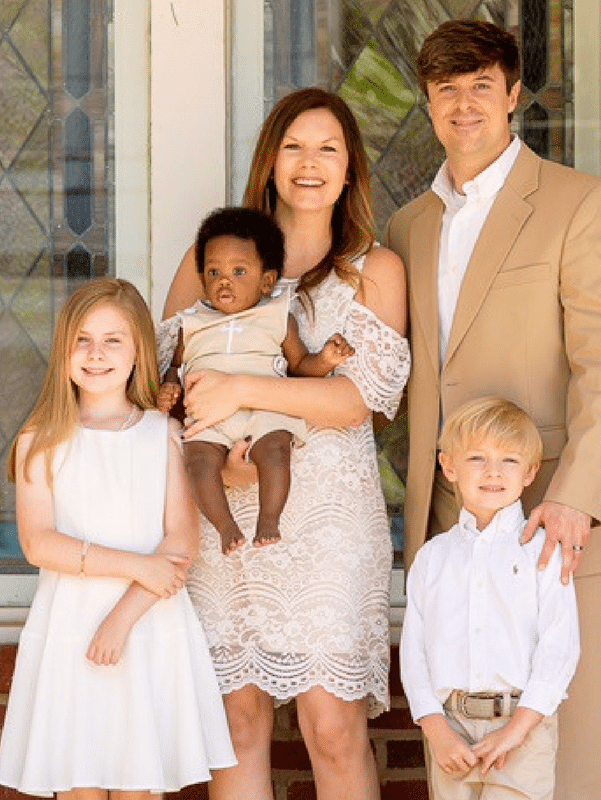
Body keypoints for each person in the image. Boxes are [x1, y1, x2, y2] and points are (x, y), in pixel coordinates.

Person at [385, 19, 601, 800]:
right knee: (460, 752)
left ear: (513, 95)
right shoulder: (407, 226)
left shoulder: (579, 204)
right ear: (428, 103)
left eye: (480, 87)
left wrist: (573, 500)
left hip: (549, 518)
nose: (464, 106)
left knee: (561, 740)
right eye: (446, 91)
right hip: (448, 518)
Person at [162, 88, 410, 800]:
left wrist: (246, 392)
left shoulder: (376, 270)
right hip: (227, 513)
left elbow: (356, 401)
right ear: (270, 161)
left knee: (331, 724)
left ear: (350, 168)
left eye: (328, 148)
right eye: (294, 147)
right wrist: (212, 448)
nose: (310, 164)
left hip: (330, 522)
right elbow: (166, 381)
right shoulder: (209, 260)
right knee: (236, 718)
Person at [0, 278, 236, 799]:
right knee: (78, 784)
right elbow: (39, 543)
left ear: (138, 353)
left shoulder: (166, 435)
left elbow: (180, 544)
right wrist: (137, 564)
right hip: (71, 628)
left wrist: (122, 617)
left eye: (112, 340)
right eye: (82, 339)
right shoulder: (40, 439)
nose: (95, 353)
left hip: (145, 624)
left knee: (138, 786)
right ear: (63, 350)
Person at [400, 396, 580, 800]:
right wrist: (435, 728)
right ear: (449, 467)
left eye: (510, 461)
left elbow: (559, 647)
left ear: (532, 471)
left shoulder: (543, 552)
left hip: (521, 727)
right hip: (452, 730)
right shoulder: (433, 557)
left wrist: (516, 732)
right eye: (477, 458)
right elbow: (414, 652)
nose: (493, 472)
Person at [157, 206, 354, 554]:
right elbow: (176, 367)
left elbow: (300, 366)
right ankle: (225, 527)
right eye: (214, 271)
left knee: (276, 450)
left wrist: (325, 360)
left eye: (239, 271)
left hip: (265, 410)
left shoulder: (277, 317)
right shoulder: (193, 322)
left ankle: (269, 519)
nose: (224, 280)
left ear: (266, 280)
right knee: (198, 461)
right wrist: (169, 386)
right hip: (209, 418)